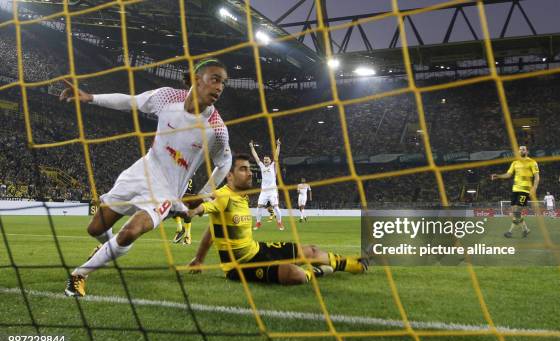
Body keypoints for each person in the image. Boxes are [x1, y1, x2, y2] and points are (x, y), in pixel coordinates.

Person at [62, 58, 232, 297]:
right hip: (142, 171)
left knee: (131, 231)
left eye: (223, 83)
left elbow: (225, 162)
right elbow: (130, 101)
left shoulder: (216, 128)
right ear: (196, 79)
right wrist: (91, 98)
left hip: (167, 191)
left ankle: (79, 275)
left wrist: (204, 194)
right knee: (96, 227)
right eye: (215, 79)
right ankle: (106, 248)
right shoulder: (166, 98)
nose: (219, 87)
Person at [187, 154, 367, 285]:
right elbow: (204, 205)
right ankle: (318, 271)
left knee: (311, 250)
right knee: (294, 274)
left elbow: (213, 229)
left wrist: (200, 259)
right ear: (229, 176)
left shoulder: (241, 196)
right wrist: (194, 210)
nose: (250, 173)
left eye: (250, 169)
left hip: (256, 250)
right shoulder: (222, 196)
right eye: (243, 169)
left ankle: (356, 265)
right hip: (239, 267)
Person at [491, 145, 539, 238]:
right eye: (520, 149)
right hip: (515, 190)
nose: (521, 150)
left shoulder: (532, 162)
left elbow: (537, 176)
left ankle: (510, 231)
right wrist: (498, 176)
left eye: (523, 149)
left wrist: (534, 188)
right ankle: (525, 229)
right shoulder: (515, 163)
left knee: (517, 212)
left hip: (525, 190)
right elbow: (508, 174)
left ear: (527, 151)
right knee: (515, 212)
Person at [250, 139, 283, 231]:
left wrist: (278, 146)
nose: (265, 161)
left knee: (276, 207)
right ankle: (258, 223)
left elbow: (276, 156)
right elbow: (256, 156)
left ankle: (279, 223)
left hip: (272, 191)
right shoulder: (262, 166)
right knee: (259, 206)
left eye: (267, 159)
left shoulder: (273, 165)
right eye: (264, 159)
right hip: (264, 191)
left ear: (270, 160)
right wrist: (252, 147)